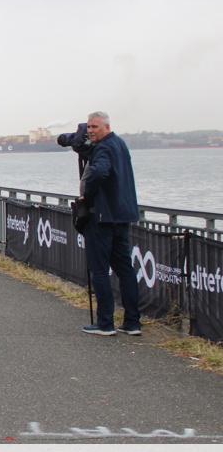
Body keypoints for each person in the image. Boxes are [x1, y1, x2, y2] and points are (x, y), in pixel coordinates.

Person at [78, 111, 141, 336]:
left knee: (99, 270)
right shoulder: (120, 144)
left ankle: (105, 323)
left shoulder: (103, 148)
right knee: (125, 269)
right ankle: (132, 323)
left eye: (95, 127)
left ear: (106, 127)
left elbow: (100, 172)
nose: (90, 131)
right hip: (122, 215)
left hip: (103, 217)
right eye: (88, 127)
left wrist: (87, 195)